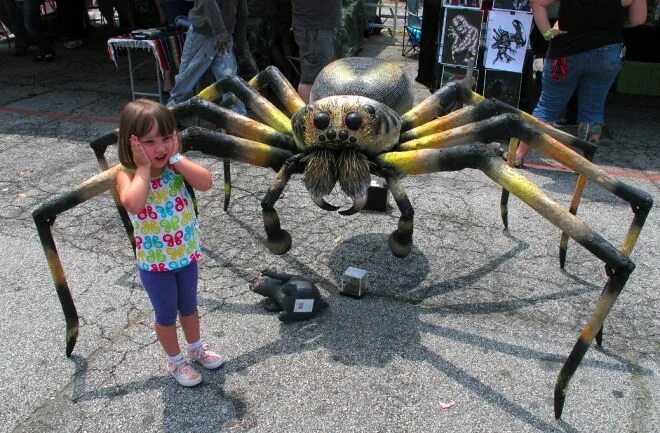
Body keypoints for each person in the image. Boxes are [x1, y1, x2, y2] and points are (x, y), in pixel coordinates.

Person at [116, 99, 223, 387]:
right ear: (132, 145)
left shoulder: (175, 168)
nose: (160, 148)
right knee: (166, 314)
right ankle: (175, 361)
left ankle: (196, 347)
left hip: (186, 255)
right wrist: (142, 170)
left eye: (166, 138)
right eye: (150, 142)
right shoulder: (126, 174)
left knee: (189, 307)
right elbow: (133, 204)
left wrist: (177, 159)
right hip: (155, 264)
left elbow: (206, 182)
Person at [506, 0, 648, 167]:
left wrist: (547, 33)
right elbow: (639, 19)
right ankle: (583, 164)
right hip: (607, 50)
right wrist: (615, 25)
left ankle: (518, 155)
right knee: (593, 109)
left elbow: (538, 3)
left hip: (566, 49)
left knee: (548, 106)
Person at [166, 0, 256, 110]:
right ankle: (168, 117)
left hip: (210, 33)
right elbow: (242, 12)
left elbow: (242, 12)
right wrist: (238, 43)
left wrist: (239, 43)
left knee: (187, 80)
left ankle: (167, 116)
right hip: (215, 32)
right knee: (229, 81)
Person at [291, 0, 342, 103]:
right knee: (311, 78)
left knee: (322, 75)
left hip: (322, 25)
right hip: (313, 26)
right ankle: (309, 116)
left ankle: (318, 114)